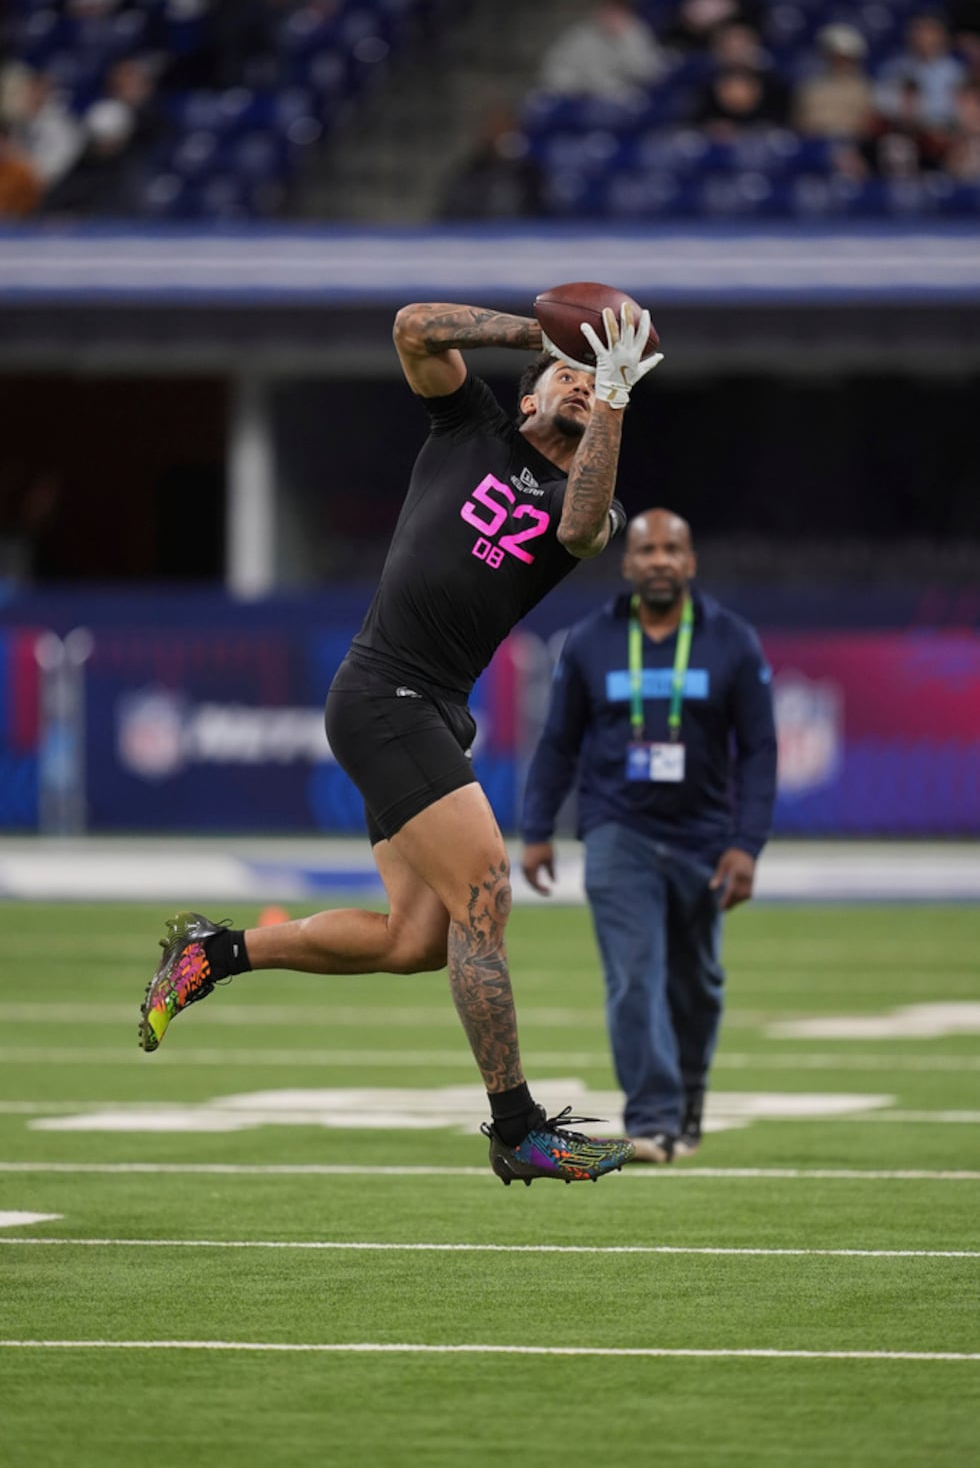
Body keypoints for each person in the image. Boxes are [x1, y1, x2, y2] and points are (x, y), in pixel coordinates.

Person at [138, 293, 664, 1187]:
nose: (581, 386)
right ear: (528, 396)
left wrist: (612, 393)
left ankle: (213, 951)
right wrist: (544, 335)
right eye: (566, 378)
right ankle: (516, 1126)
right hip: (386, 689)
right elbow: (413, 326)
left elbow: (580, 526)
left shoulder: (594, 495)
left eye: (596, 380)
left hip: (431, 706)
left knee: (413, 940)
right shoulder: (471, 428)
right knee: (484, 892)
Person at [520, 509, 777, 1163]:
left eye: (673, 549)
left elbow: (759, 749)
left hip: (703, 837)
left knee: (699, 983)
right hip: (617, 831)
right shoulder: (587, 641)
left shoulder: (733, 641)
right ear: (627, 563)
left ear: (689, 562)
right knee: (634, 977)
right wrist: (538, 828)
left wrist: (746, 843)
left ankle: (687, 1100)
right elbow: (558, 741)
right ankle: (655, 1120)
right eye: (647, 549)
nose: (660, 559)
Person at [538, 0, 666, 102]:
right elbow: (554, 71)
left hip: (622, 102)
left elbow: (647, 73)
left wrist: (622, 40)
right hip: (581, 100)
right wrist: (579, 88)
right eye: (608, 10)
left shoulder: (636, 34)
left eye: (617, 11)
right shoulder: (579, 35)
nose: (611, 16)